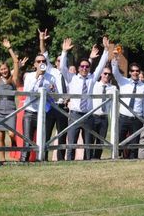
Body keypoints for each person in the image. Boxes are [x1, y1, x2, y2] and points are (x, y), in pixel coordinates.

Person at [58, 37, 109, 161]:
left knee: (88, 145)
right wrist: (64, 52)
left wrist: (106, 50)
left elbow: (101, 66)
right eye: (82, 66)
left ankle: (87, 164)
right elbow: (63, 68)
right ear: (78, 67)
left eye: (87, 67)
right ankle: (69, 163)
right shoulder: (72, 78)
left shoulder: (92, 79)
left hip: (88, 116)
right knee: (71, 144)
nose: (84, 68)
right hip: (75, 114)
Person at [19, 52, 58, 162]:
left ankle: (42, 160)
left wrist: (53, 90)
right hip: (30, 112)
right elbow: (27, 93)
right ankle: (24, 161)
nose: (41, 63)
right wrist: (37, 76)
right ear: (35, 64)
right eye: (39, 61)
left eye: (43, 61)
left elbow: (55, 98)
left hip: (44, 114)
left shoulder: (51, 78)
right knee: (27, 140)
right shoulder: (29, 76)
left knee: (43, 140)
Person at [111, 56, 144, 159]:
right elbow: (115, 72)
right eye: (133, 71)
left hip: (137, 119)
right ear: (130, 72)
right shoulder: (123, 81)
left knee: (134, 144)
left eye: (137, 71)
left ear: (139, 72)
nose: (135, 73)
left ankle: (132, 161)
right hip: (123, 117)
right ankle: (116, 159)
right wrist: (115, 59)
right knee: (119, 141)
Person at [40, 29, 68, 161]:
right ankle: (43, 157)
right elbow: (44, 54)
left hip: (63, 107)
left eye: (61, 60)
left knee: (62, 134)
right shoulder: (51, 71)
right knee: (47, 133)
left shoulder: (69, 74)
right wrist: (42, 40)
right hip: (52, 106)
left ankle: (61, 158)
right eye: (57, 60)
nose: (59, 62)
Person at [91, 65, 116, 159]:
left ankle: (97, 158)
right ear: (101, 74)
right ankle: (88, 157)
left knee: (101, 140)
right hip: (94, 116)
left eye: (109, 74)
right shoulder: (94, 85)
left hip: (104, 117)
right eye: (105, 73)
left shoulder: (113, 88)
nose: (107, 75)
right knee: (91, 138)